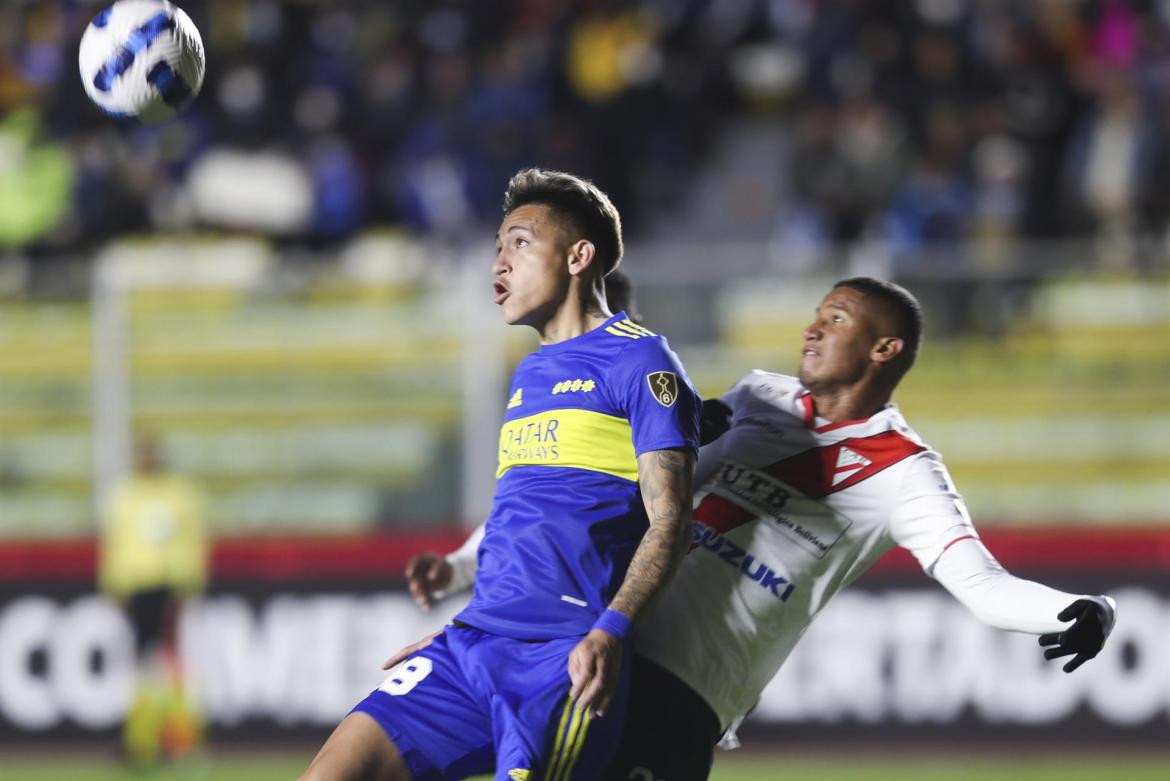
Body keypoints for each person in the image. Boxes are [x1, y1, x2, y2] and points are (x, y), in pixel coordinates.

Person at [397, 277, 1117, 781]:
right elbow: (606, 490)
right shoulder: (754, 398)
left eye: (836, 318)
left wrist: (1079, 609)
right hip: (596, 648)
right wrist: (464, 568)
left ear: (884, 349)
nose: (813, 325)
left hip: (682, 700)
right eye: (816, 312)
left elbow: (980, 583)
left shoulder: (906, 471)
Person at [300, 169, 701, 781]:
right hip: (470, 645)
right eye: (496, 247)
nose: (499, 262)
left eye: (519, 242)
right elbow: (527, 514)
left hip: (561, 659)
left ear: (578, 256)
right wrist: (463, 615)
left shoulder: (640, 360)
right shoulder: (530, 376)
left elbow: (671, 522)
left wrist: (611, 633)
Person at [98, 433, 207, 766]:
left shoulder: (179, 495)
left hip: (167, 587)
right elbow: (115, 544)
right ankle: (143, 741)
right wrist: (115, 585)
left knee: (168, 665)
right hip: (136, 589)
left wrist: (187, 584)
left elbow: (191, 543)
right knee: (145, 666)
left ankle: (179, 740)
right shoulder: (125, 495)